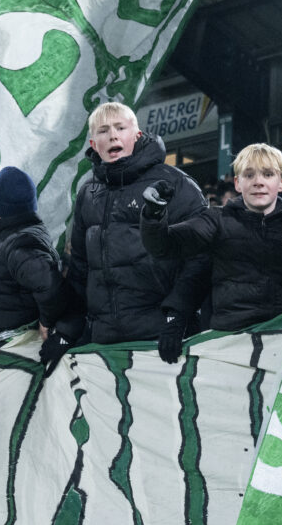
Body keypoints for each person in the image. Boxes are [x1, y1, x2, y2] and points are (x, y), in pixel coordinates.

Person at [140, 144, 282, 360]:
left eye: (268, 174)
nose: (258, 181)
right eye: (249, 174)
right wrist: (153, 214)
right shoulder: (216, 220)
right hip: (230, 345)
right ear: (237, 182)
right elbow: (165, 244)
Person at [67, 101, 210, 353]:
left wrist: (176, 315)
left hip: (162, 335)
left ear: (137, 135)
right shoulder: (87, 193)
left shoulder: (174, 183)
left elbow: (201, 256)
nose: (112, 135)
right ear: (93, 145)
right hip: (104, 340)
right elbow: (80, 267)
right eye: (103, 131)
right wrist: (69, 329)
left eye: (120, 128)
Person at [0, 166, 69, 344]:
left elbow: (49, 286)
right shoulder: (12, 234)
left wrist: (47, 321)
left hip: (17, 343)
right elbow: (0, 265)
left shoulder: (21, 245)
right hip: (6, 338)